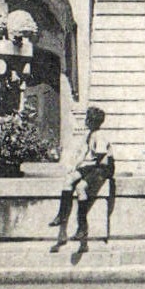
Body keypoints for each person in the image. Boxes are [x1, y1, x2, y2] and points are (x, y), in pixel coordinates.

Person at [48, 106, 114, 264]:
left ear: (92, 121)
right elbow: (84, 153)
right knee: (68, 180)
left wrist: (82, 168)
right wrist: (75, 167)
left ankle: (82, 228)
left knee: (80, 187)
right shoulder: (90, 135)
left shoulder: (100, 136)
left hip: (103, 169)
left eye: (87, 119)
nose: (85, 121)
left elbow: (100, 158)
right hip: (92, 166)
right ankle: (61, 215)